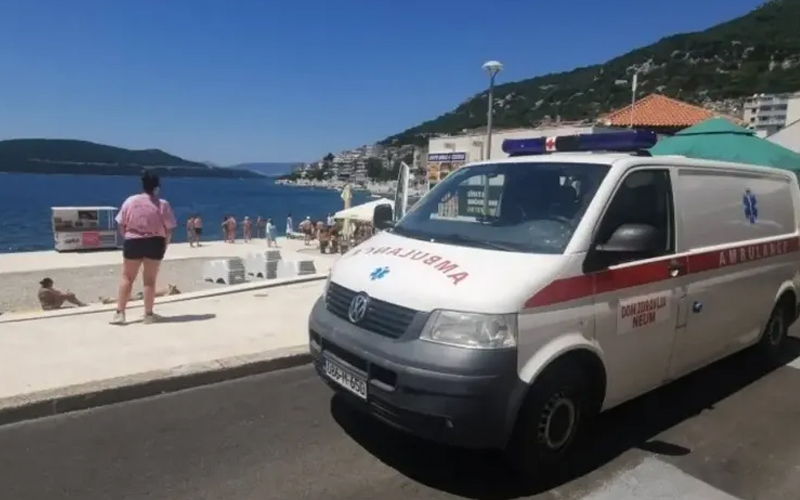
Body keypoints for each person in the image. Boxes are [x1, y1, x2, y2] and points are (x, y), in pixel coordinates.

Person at [110, 171, 177, 325]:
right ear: (156, 188)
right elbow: (169, 229)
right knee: (149, 280)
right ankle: (148, 314)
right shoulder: (163, 204)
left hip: (133, 240)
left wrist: (128, 237)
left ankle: (120, 313)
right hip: (155, 242)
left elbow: (121, 224)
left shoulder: (130, 201)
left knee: (127, 277)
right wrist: (164, 246)